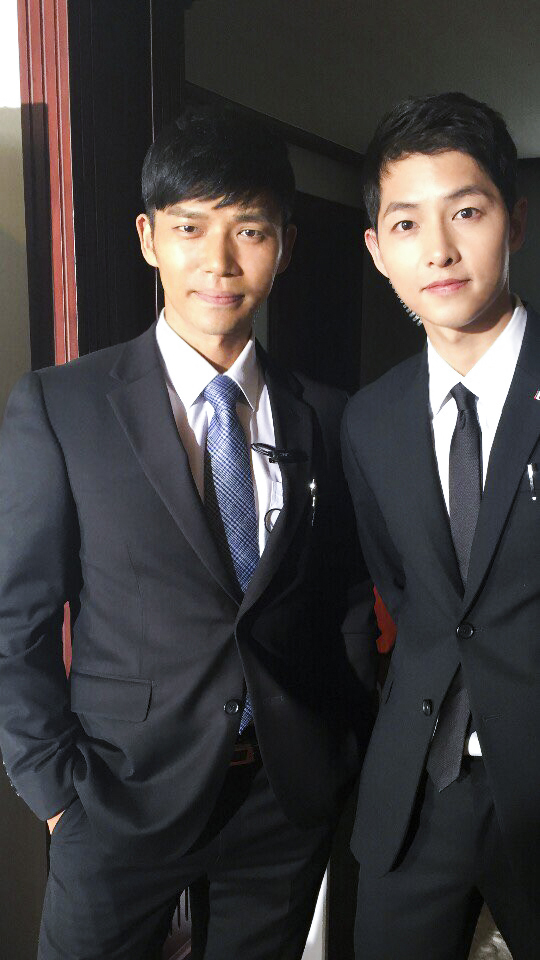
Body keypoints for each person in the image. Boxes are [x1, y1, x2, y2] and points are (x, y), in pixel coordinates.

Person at [0, 106, 377, 960]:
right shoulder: (62, 407)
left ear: (284, 244)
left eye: (249, 230)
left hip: (281, 804)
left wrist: (340, 746)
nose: (218, 262)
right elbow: (16, 622)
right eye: (189, 228)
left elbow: (346, 599)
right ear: (148, 238)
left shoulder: (327, 415)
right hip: (116, 796)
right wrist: (55, 792)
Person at [342, 91, 540, 960]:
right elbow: (406, 589)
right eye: (407, 224)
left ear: (514, 220)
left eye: (466, 212)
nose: (440, 251)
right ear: (378, 250)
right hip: (421, 785)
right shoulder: (371, 418)